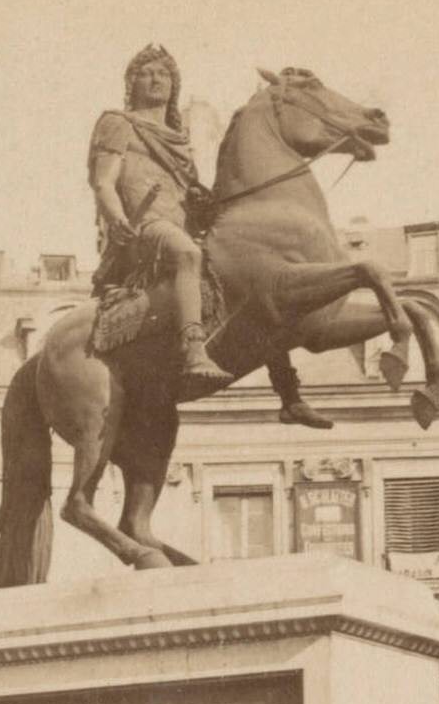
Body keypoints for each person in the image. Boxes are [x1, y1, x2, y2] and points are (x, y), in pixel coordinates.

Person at [89, 43, 332, 425]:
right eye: (146, 73)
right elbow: (103, 182)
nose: (156, 79)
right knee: (188, 255)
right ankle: (193, 351)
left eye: (164, 74)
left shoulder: (177, 136)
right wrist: (117, 217)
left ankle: (289, 394)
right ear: (131, 82)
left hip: (182, 225)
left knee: (257, 282)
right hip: (144, 229)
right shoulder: (118, 122)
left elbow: (183, 190)